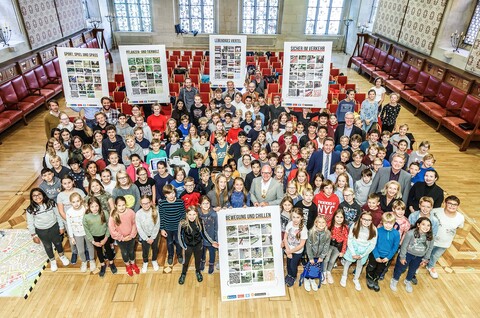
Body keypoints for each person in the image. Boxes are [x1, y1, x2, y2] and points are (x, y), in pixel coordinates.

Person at [26, 188, 70, 272]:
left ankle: (62, 256)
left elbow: (57, 215)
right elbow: (30, 223)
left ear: (43, 194)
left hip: (54, 227)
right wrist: (33, 235)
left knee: (58, 243)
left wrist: (61, 227)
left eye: (39, 194)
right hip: (41, 231)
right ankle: (52, 260)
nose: (37, 197)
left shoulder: (51, 203)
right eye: (34, 196)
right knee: (48, 246)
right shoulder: (30, 209)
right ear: (31, 198)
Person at [390, 217, 434, 293]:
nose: (426, 227)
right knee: (400, 268)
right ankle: (395, 280)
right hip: (408, 254)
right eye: (423, 224)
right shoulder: (410, 233)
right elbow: (404, 246)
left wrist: (426, 259)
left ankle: (408, 280)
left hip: (419, 257)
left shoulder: (430, 237)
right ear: (418, 225)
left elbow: (430, 248)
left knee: (413, 270)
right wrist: (402, 257)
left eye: (428, 225)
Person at [178, 206, 219, 285]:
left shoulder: (200, 221)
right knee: (186, 262)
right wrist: (184, 247)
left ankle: (198, 272)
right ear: (186, 214)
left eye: (194, 214)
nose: (192, 217)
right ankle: (183, 274)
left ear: (196, 214)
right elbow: (179, 236)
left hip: (198, 245)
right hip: (188, 246)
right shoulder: (182, 223)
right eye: (190, 214)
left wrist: (212, 242)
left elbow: (204, 233)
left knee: (198, 261)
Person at [427, 196, 465, 279]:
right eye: (450, 203)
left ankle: (430, 267)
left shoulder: (460, 217)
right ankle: (417, 266)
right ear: (445, 203)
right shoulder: (435, 212)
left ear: (458, 206)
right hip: (430, 240)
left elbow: (459, 228)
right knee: (425, 253)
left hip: (445, 242)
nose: (452, 206)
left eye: (455, 204)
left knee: (435, 256)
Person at [340, 211, 377, 291]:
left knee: (360, 265)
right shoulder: (355, 225)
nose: (366, 222)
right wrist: (353, 253)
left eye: (369, 220)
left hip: (364, 250)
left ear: (371, 221)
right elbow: (349, 239)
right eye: (364, 219)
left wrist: (362, 255)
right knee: (347, 263)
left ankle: (356, 279)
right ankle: (344, 276)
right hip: (353, 247)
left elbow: (372, 244)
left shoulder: (374, 229)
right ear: (360, 219)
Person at [83, 196, 117, 277]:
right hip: (95, 238)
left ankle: (111, 263)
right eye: (92, 206)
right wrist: (93, 241)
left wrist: (106, 237)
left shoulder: (104, 213)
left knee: (108, 249)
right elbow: (86, 230)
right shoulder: (86, 217)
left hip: (105, 235)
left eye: (96, 206)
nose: (95, 208)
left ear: (99, 205)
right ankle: (102, 264)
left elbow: (109, 226)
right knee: (99, 251)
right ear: (88, 207)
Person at [365, 212, 399, 292]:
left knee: (380, 269)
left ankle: (375, 280)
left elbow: (395, 247)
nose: (388, 225)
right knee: (371, 267)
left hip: (386, 257)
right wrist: (376, 256)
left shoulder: (396, 233)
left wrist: (388, 257)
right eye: (386, 223)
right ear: (382, 222)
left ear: (394, 223)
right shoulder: (378, 231)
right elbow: (374, 244)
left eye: (390, 223)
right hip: (375, 254)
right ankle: (369, 278)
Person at [109, 196, 139, 276]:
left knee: (131, 251)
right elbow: (112, 230)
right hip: (121, 239)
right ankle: (127, 265)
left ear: (126, 204)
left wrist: (132, 235)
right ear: (115, 206)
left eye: (123, 205)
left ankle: (133, 263)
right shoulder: (113, 216)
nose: (121, 207)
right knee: (124, 252)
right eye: (119, 205)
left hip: (131, 237)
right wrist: (122, 238)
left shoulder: (131, 212)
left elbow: (134, 223)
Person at [66, 192, 96, 273]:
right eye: (73, 202)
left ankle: (92, 260)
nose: (76, 204)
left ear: (81, 200)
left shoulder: (84, 209)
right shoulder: (69, 212)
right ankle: (84, 262)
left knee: (90, 247)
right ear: (70, 202)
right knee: (81, 250)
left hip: (87, 232)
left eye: (77, 201)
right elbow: (69, 225)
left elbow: (90, 220)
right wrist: (71, 237)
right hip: (77, 234)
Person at [159, 184, 186, 266]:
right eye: (168, 194)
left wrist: (182, 224)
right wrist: (162, 229)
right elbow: (161, 216)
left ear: (175, 193)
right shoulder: (162, 203)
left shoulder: (180, 202)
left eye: (173, 193)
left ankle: (179, 254)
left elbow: (183, 214)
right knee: (169, 242)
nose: (171, 196)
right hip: (168, 227)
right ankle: (170, 255)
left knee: (178, 241)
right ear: (165, 195)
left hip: (178, 227)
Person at [304, 216, 331, 291]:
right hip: (311, 254)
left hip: (320, 255)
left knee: (315, 268)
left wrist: (322, 256)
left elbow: (326, 246)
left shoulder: (328, 233)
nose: (321, 224)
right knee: (309, 266)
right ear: (316, 223)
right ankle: (306, 279)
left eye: (323, 222)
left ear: (326, 223)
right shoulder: (311, 232)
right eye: (319, 222)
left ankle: (312, 279)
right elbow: (308, 245)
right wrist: (310, 257)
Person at [282, 207, 308, 287]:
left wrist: (290, 251)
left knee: (293, 265)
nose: (295, 219)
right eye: (293, 217)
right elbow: (285, 237)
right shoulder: (289, 224)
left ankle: (293, 277)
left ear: (301, 217)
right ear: (291, 216)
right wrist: (287, 249)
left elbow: (301, 245)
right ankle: (289, 275)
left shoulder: (303, 229)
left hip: (297, 252)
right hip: (288, 249)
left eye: (298, 217)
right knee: (288, 264)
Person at [323, 209, 349, 285]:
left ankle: (328, 272)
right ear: (334, 217)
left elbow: (345, 240)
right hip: (329, 245)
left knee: (332, 261)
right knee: (326, 259)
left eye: (341, 217)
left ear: (344, 218)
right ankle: (323, 273)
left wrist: (343, 251)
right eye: (337, 217)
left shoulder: (345, 227)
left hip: (338, 247)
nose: (339, 219)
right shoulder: (329, 224)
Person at [136, 195, 161, 273]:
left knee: (155, 248)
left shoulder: (155, 211)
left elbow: (157, 225)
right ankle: (145, 262)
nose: (146, 205)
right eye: (144, 203)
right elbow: (139, 228)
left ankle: (154, 260)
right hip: (145, 237)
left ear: (150, 203)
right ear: (140, 204)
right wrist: (146, 238)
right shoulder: (138, 214)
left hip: (154, 235)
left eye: (147, 203)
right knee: (145, 250)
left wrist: (152, 237)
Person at [198, 196, 218, 274]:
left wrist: (215, 239)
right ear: (200, 205)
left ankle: (211, 264)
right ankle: (202, 261)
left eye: (207, 203)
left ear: (210, 204)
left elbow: (216, 227)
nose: (206, 205)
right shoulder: (198, 213)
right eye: (203, 203)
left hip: (211, 237)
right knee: (202, 251)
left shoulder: (213, 214)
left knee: (212, 252)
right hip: (201, 237)